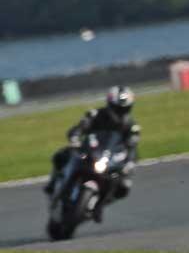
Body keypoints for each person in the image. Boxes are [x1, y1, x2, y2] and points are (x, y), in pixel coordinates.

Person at [44, 86, 140, 219]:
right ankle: (52, 184)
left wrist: (129, 163)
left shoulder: (131, 126)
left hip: (110, 159)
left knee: (124, 187)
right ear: (110, 104)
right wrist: (75, 136)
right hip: (89, 151)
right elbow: (82, 126)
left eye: (124, 109)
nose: (120, 112)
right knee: (61, 155)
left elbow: (132, 147)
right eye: (118, 108)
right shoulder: (96, 114)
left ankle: (99, 205)